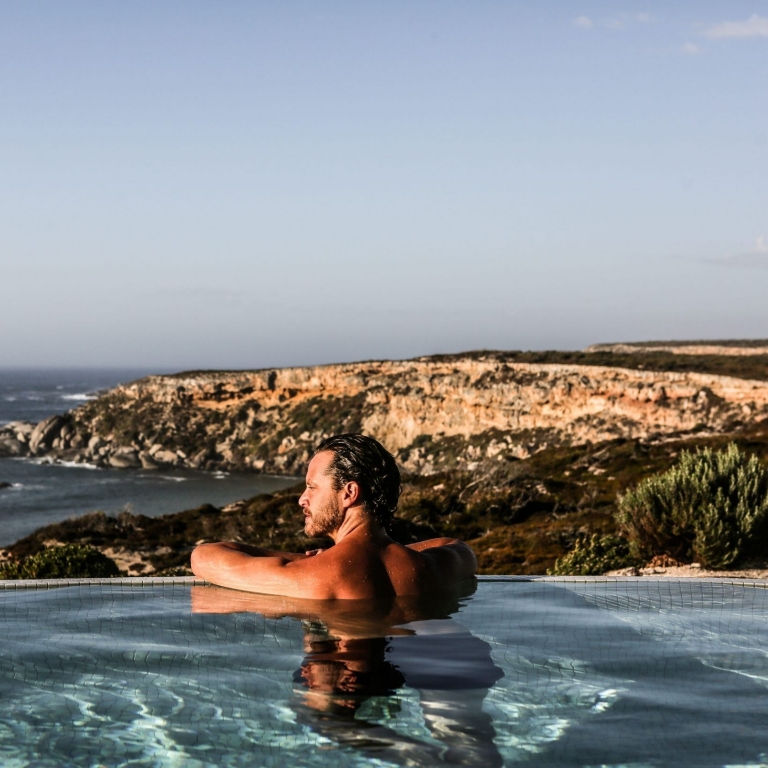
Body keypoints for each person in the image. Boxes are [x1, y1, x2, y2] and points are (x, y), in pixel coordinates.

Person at [191, 433, 477, 599]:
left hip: (339, 680)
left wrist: (309, 560)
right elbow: (453, 545)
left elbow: (203, 557)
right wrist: (354, 553)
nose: (302, 498)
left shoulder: (316, 576)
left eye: (312, 487)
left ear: (349, 493)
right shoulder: (437, 567)